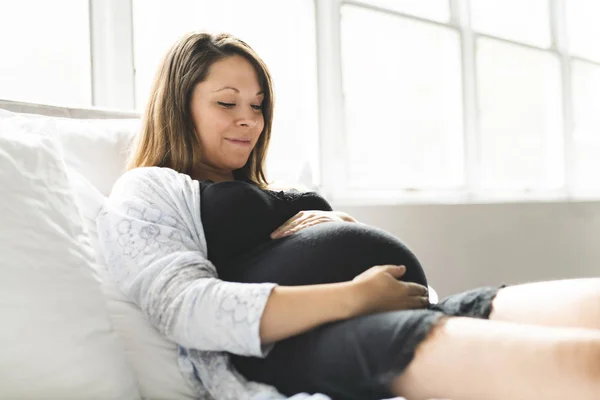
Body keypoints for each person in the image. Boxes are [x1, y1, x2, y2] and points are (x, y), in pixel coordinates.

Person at [97, 31, 600, 400]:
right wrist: (355, 295)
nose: (248, 118)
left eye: (258, 104)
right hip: (307, 349)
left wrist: (342, 232)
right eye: (226, 103)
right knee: (584, 366)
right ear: (178, 107)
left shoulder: (257, 188)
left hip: (405, 310)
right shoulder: (149, 187)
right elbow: (184, 307)